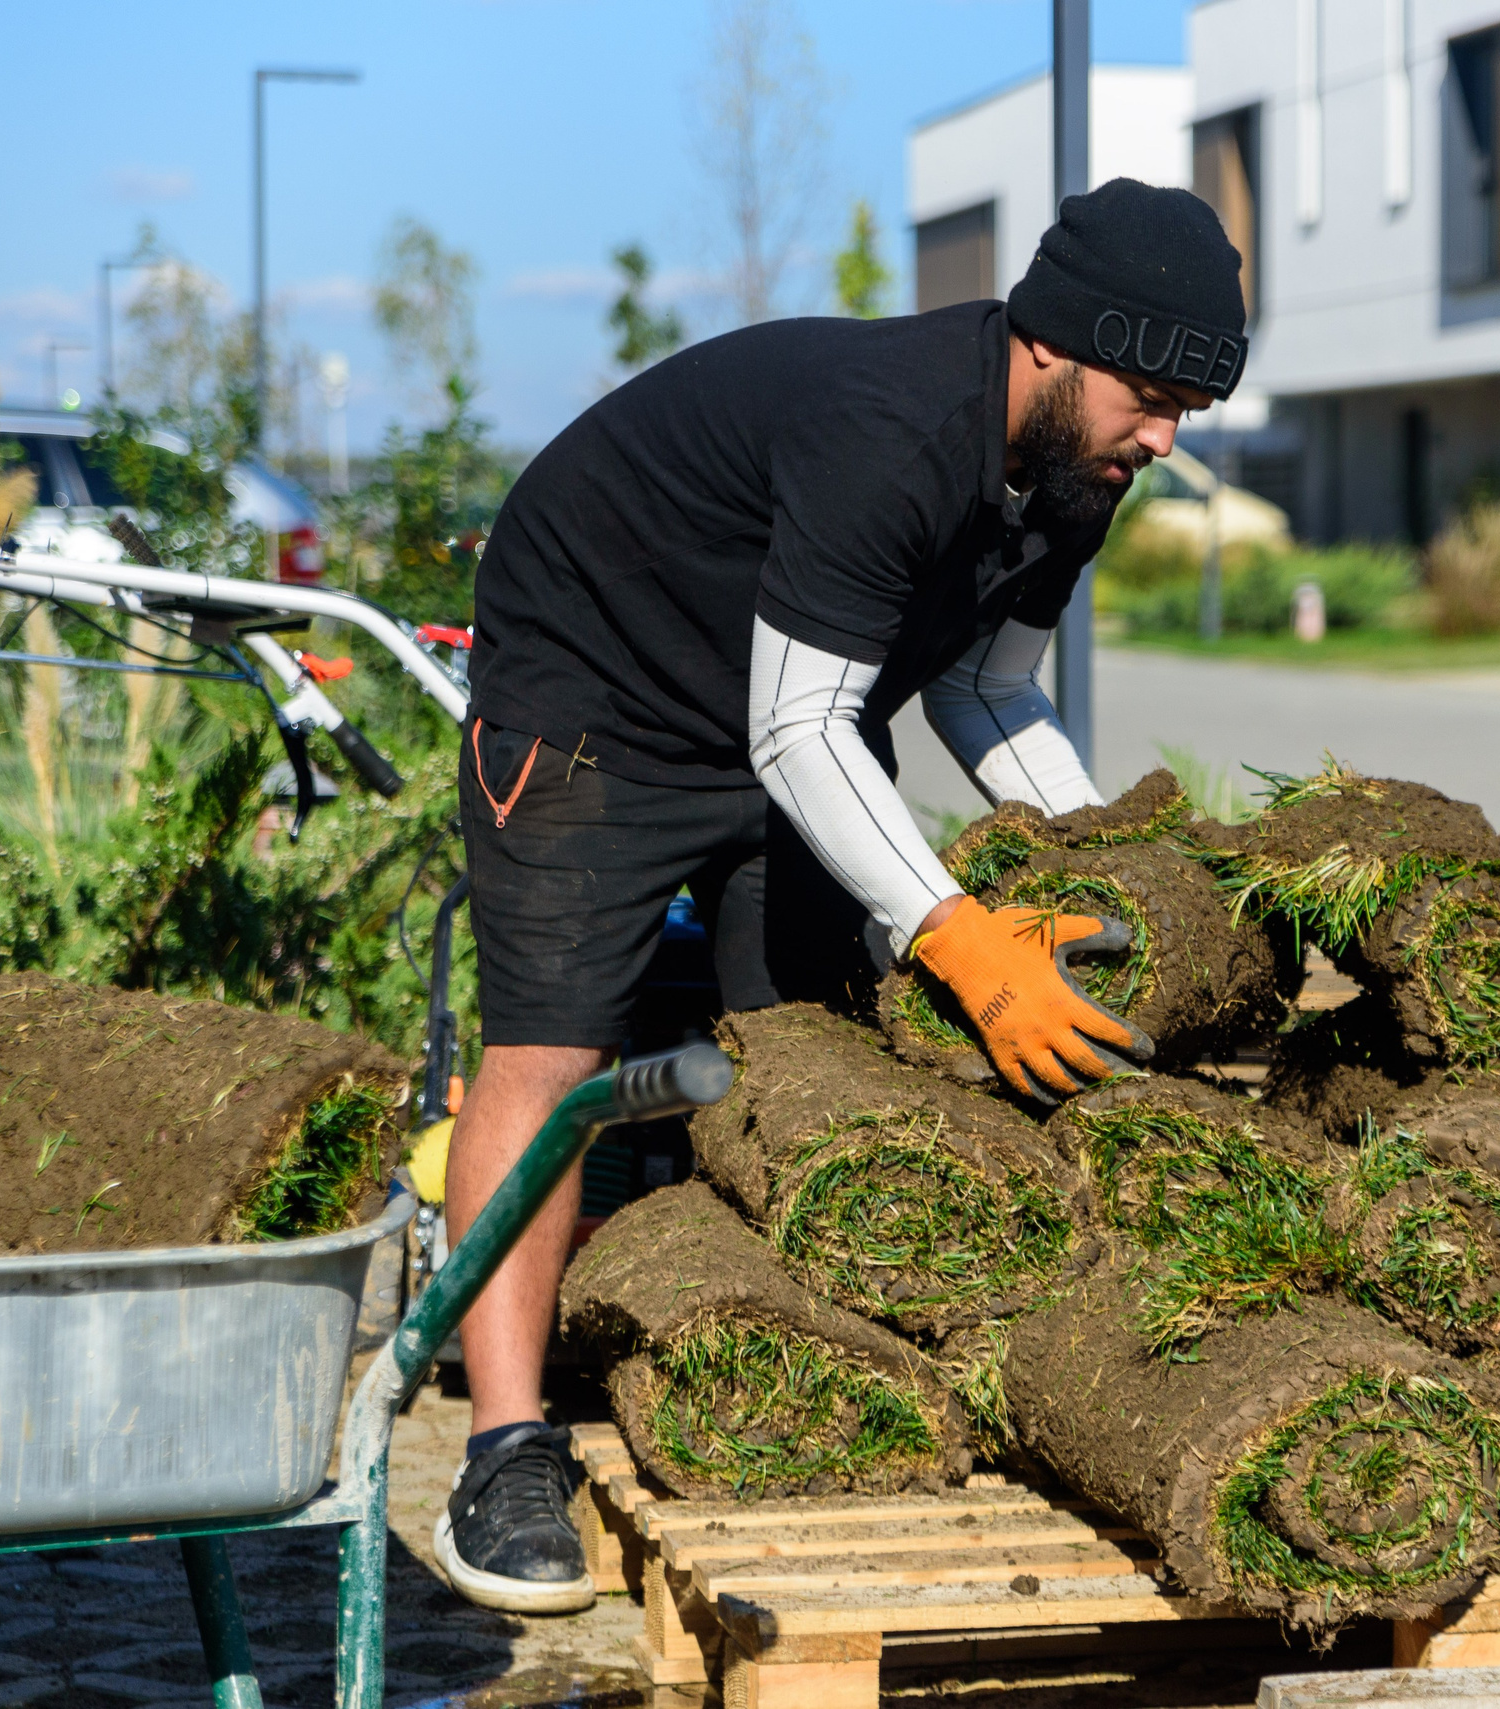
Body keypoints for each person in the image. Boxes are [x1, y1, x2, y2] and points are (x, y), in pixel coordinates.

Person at [432, 179, 1248, 1612]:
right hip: (595, 681)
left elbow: (986, 689)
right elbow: (801, 732)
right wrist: (966, 939)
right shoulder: (894, 429)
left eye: (1191, 403)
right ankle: (501, 1444)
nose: (1166, 436)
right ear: (1052, 343)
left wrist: (1104, 856)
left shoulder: (1076, 473)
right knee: (554, 1045)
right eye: (1150, 392)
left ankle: (765, 1352)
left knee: (802, 1036)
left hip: (778, 689)